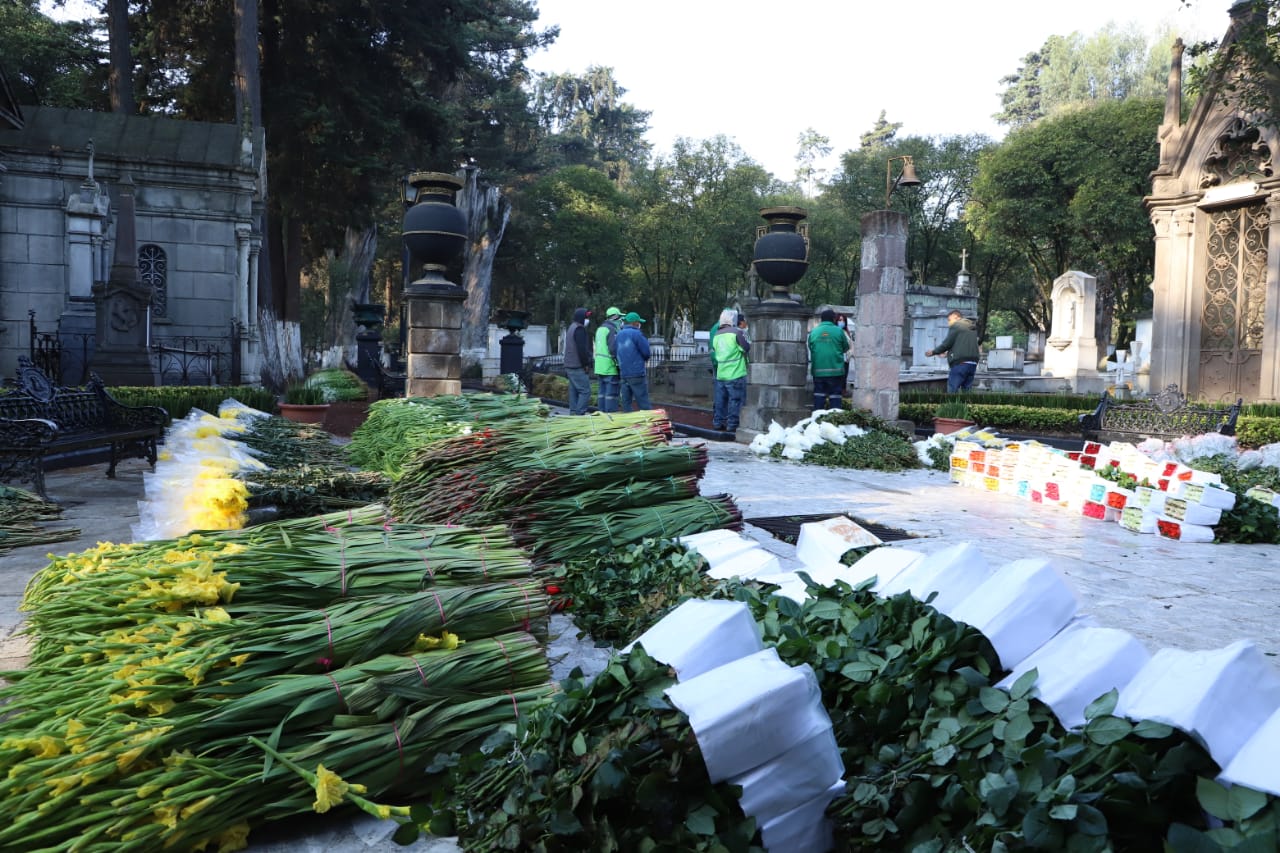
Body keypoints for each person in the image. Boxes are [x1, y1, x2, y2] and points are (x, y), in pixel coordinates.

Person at [711, 309, 750, 432]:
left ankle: (718, 422)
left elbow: (715, 351)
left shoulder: (717, 335)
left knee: (720, 400)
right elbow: (746, 347)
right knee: (735, 400)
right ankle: (732, 424)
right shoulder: (736, 332)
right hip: (736, 372)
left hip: (721, 373)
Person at [926, 309, 981, 392]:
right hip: (973, 363)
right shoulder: (971, 327)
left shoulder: (957, 325)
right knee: (967, 391)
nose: (949, 323)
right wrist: (948, 353)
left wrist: (933, 352)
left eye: (949, 320)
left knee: (952, 390)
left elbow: (947, 343)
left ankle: (951, 405)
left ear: (956, 317)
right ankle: (966, 405)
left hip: (960, 364)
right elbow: (963, 345)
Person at [807, 308, 849, 411]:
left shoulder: (814, 332)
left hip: (818, 371)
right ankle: (833, 422)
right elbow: (846, 348)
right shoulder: (839, 331)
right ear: (833, 319)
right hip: (836, 371)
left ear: (821, 319)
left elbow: (811, 347)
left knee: (819, 396)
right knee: (835, 397)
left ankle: (817, 421)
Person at [615, 311, 652, 411]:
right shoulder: (637, 334)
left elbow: (614, 351)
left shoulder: (619, 335)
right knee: (643, 402)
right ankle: (648, 423)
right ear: (635, 322)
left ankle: (629, 423)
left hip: (624, 373)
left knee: (626, 403)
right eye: (639, 322)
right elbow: (646, 352)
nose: (639, 324)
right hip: (636, 373)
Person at [562, 307, 592, 415]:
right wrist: (586, 364)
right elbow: (582, 349)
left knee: (574, 391)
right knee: (585, 391)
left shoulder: (572, 327)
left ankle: (573, 412)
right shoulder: (579, 329)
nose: (587, 320)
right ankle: (579, 414)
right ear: (581, 318)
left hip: (569, 364)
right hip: (577, 365)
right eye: (586, 317)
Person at [593, 306, 623, 412]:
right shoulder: (612, 329)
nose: (621, 321)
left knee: (602, 393)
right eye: (620, 318)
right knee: (611, 394)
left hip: (599, 366)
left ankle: (601, 413)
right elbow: (613, 349)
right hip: (609, 366)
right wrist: (619, 364)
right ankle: (610, 415)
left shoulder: (600, 329)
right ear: (615, 317)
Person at [835, 313, 853, 394]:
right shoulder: (836, 331)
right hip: (838, 358)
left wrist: (850, 353)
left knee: (844, 377)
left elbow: (850, 344)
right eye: (839, 320)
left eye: (843, 320)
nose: (841, 322)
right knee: (839, 378)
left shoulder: (846, 332)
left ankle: (843, 392)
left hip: (846, 359)